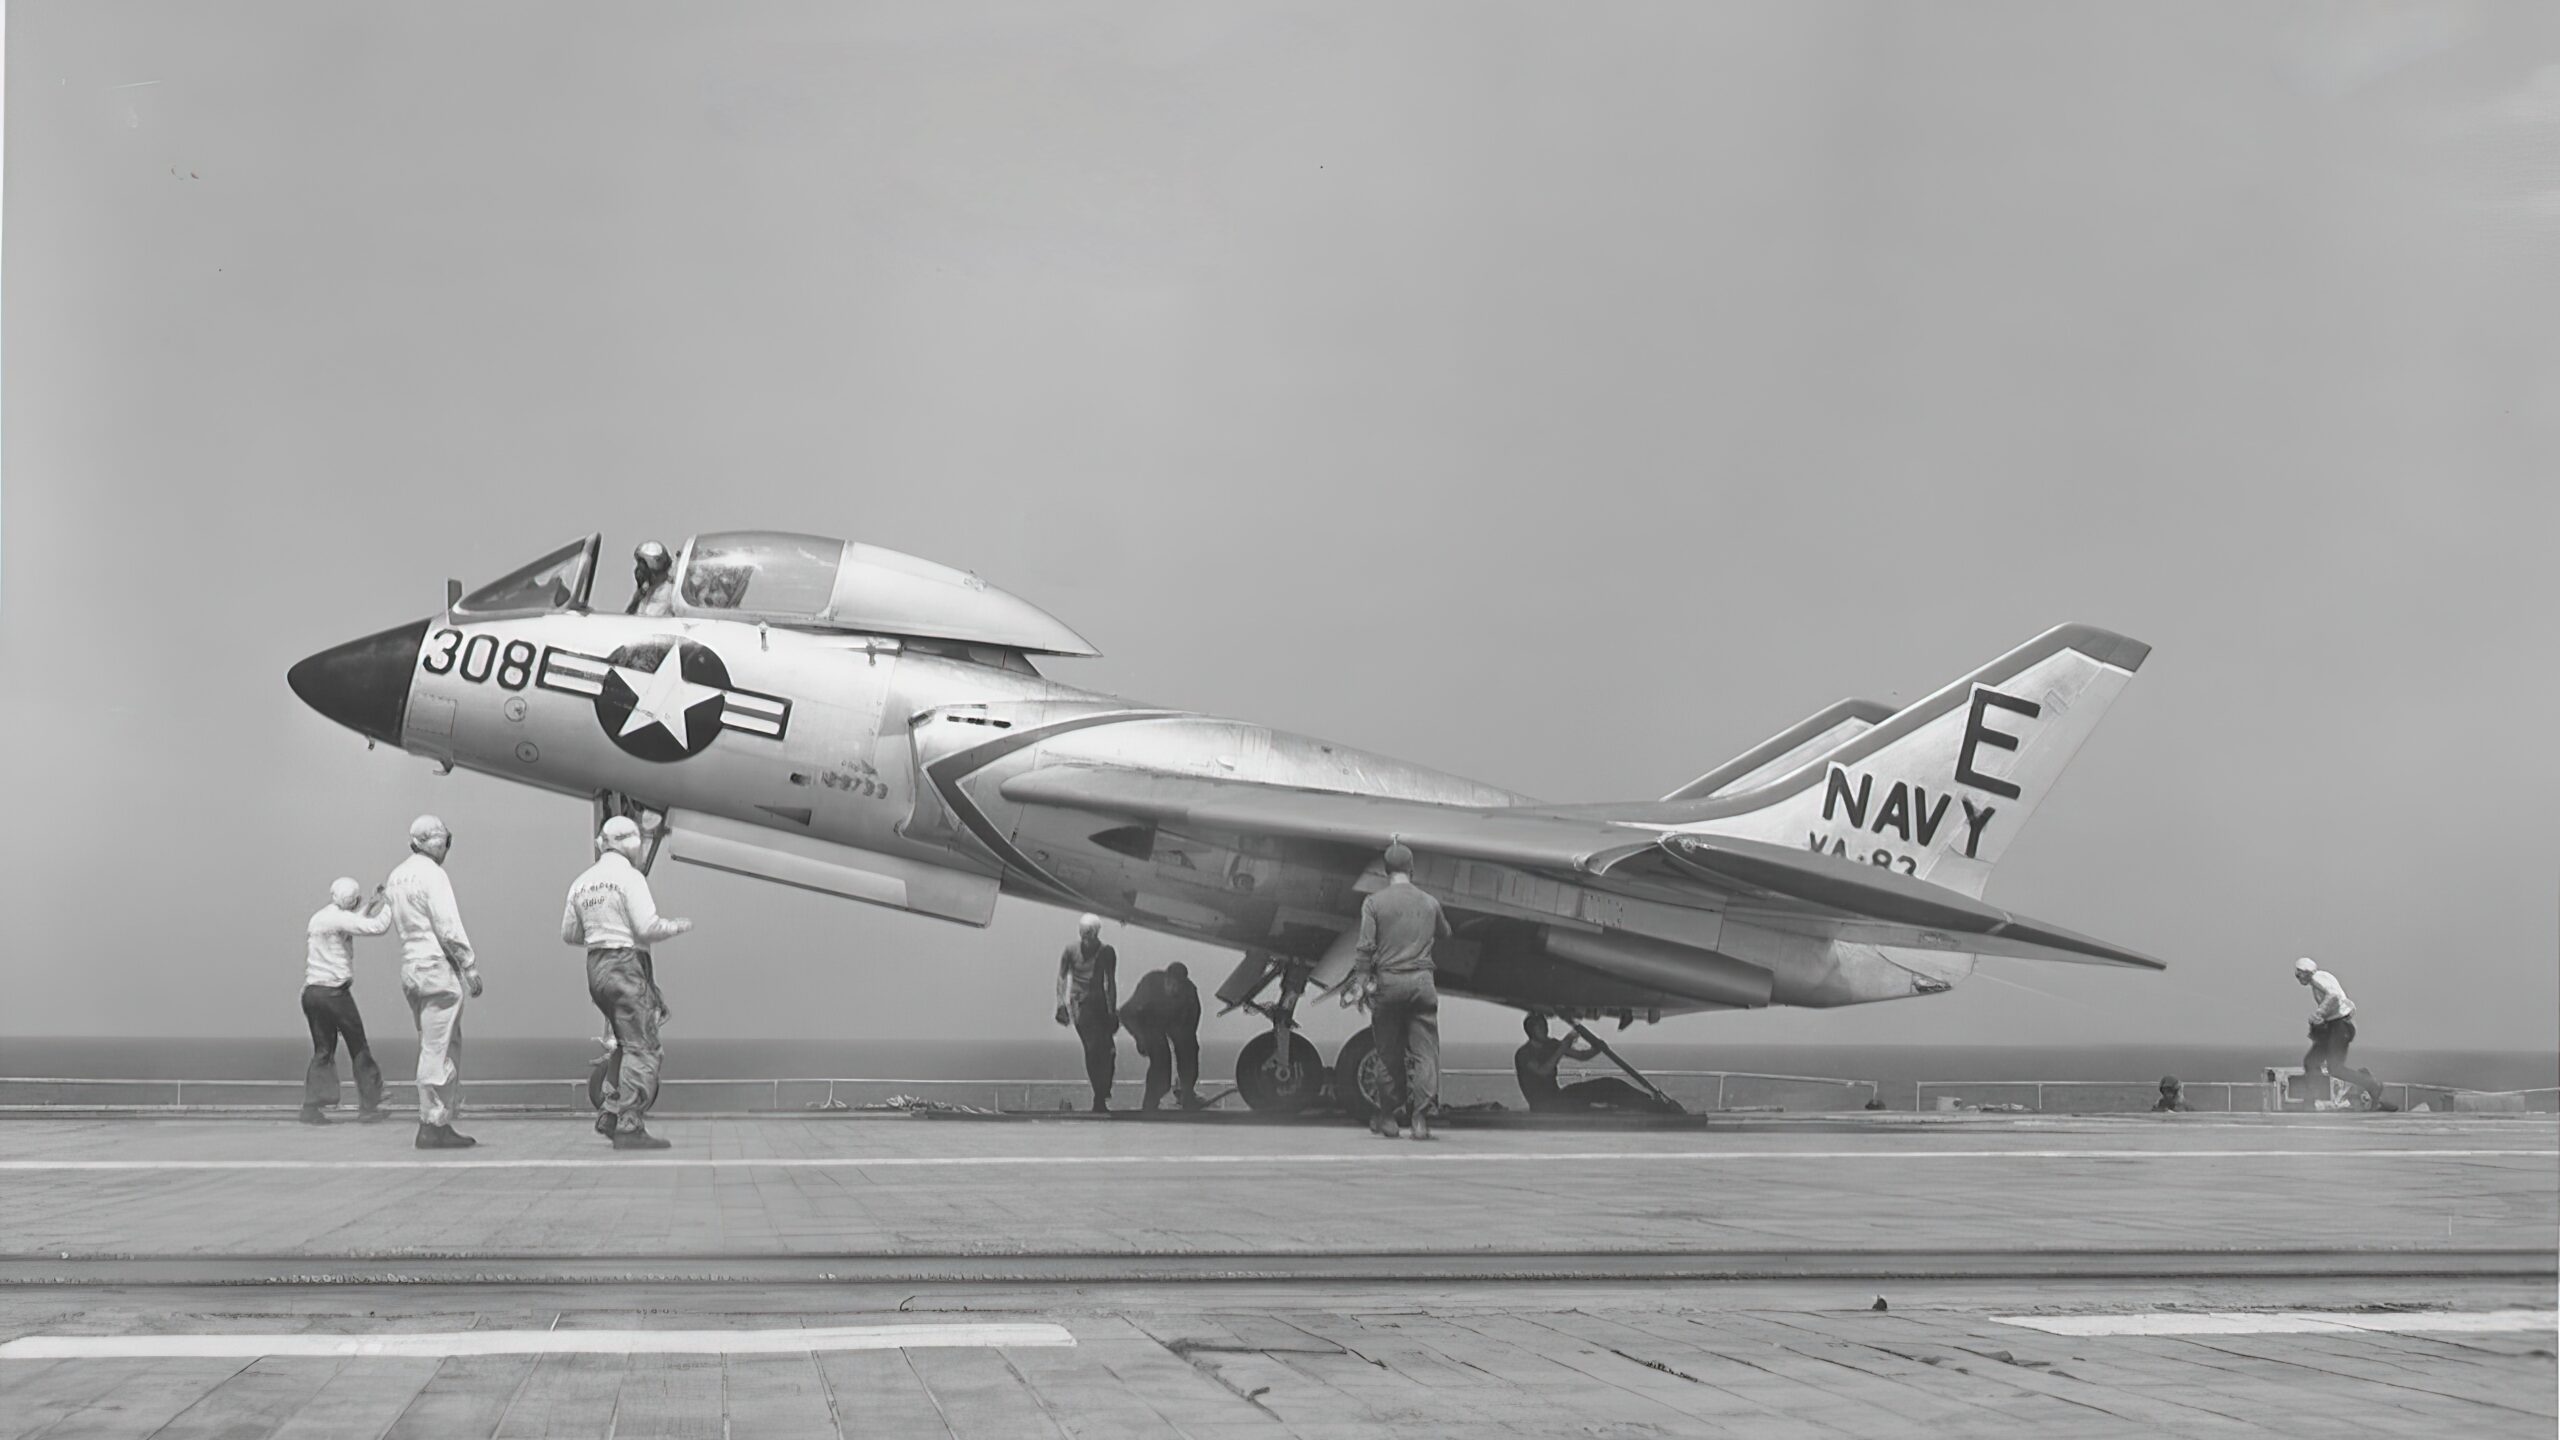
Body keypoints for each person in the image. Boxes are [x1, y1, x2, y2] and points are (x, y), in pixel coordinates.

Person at [562, 816, 692, 1149]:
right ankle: (630, 1124)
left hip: (596, 968)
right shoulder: (629, 878)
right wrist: (675, 926)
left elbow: (570, 934)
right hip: (626, 964)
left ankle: (609, 1111)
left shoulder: (582, 882)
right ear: (632, 844)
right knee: (644, 1047)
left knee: (624, 1042)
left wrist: (600, 932)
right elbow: (647, 927)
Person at [385, 815, 483, 1149]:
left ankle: (436, 1119)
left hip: (411, 967)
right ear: (437, 841)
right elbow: (447, 925)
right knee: (439, 1047)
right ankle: (433, 1122)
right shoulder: (433, 875)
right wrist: (469, 966)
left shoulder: (397, 876)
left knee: (433, 1041)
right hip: (436, 968)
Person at [1347, 841, 1449, 1141]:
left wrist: (1360, 983)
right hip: (1422, 983)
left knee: (1387, 1053)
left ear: (1385, 870)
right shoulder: (1430, 902)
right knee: (1426, 1053)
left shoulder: (1374, 903)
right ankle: (1420, 1119)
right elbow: (1446, 932)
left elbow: (1365, 948)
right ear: (1411, 868)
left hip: (1389, 984)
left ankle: (1389, 1117)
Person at [299, 877, 392, 1125]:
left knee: (323, 1050)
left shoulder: (320, 918)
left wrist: (371, 905)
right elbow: (375, 927)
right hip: (335, 994)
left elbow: (349, 922)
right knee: (358, 1046)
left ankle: (312, 1106)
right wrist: (392, 903)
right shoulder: (340, 919)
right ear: (353, 899)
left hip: (312, 993)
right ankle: (370, 1103)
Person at [1513, 1014, 1672, 1114]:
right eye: (1540, 1027)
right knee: (1596, 1108)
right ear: (1531, 1030)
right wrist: (1562, 1047)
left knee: (1609, 1084)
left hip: (1558, 1097)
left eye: (1544, 1025)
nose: (1545, 1029)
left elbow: (1582, 1056)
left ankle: (1652, 1104)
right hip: (1544, 1106)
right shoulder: (1524, 1054)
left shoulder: (1551, 1045)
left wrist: (1597, 1048)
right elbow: (1543, 1071)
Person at [2294, 957, 2392, 1110]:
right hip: (2334, 1026)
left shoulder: (2317, 978)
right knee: (2312, 1062)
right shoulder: (2321, 979)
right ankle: (2310, 1102)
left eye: (2299, 974)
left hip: (2339, 1028)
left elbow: (2333, 996)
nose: (2298, 977)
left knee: (2335, 1068)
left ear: (2306, 972)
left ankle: (2372, 1085)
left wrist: (2319, 1013)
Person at [1117, 961, 1203, 1112]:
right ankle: (1151, 1102)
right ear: (1165, 979)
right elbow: (1126, 1013)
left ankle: (1187, 1095)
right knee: (1161, 1066)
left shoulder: (1190, 993)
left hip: (1175, 1022)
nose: (1174, 989)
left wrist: (1186, 1078)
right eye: (1171, 984)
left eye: (1178, 986)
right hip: (1149, 1023)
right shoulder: (1150, 984)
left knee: (1190, 1051)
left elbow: (1191, 1029)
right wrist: (1139, 1038)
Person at [1054, 914, 1119, 1112]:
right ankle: (1099, 1096)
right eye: (1083, 934)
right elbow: (1062, 977)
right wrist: (1061, 1004)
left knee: (1109, 1051)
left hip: (1100, 1005)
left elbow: (1110, 982)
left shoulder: (1106, 952)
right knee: (1092, 1050)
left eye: (1089, 934)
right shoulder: (1070, 950)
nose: (1085, 938)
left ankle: (1103, 1090)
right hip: (1080, 1005)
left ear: (1096, 933)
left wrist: (1112, 1011)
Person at [627, 541, 676, 617]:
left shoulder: (670, 592)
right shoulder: (645, 590)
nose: (639, 569)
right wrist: (636, 600)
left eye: (642, 563)